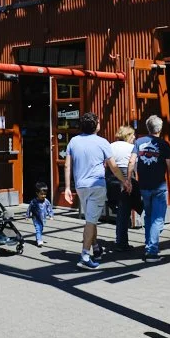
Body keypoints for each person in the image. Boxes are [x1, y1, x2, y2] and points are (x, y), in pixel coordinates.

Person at [64, 112, 129, 270]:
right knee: (91, 221)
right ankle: (85, 256)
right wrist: (124, 181)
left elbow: (67, 165)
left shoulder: (73, 141)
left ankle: (96, 248)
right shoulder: (102, 142)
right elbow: (113, 167)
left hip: (80, 186)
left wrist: (67, 187)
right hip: (97, 185)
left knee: (90, 219)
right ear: (96, 125)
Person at [127, 115, 170, 261]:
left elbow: (131, 162)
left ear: (148, 128)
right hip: (159, 187)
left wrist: (128, 179)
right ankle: (152, 251)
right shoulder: (164, 145)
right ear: (160, 129)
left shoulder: (138, 142)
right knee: (158, 219)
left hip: (144, 186)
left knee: (149, 216)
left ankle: (148, 244)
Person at [109, 125, 143, 251]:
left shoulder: (111, 146)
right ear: (128, 136)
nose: (134, 137)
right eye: (133, 135)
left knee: (120, 211)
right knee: (125, 212)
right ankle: (121, 243)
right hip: (127, 178)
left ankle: (121, 240)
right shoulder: (132, 148)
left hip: (112, 179)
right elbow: (134, 165)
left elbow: (106, 163)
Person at [25, 181, 54, 247]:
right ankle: (39, 240)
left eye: (45, 194)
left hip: (43, 218)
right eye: (42, 194)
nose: (43, 196)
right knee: (38, 229)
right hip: (36, 218)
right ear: (37, 193)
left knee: (41, 229)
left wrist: (51, 215)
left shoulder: (46, 201)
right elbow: (29, 208)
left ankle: (38, 238)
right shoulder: (34, 201)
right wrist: (27, 215)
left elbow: (49, 208)